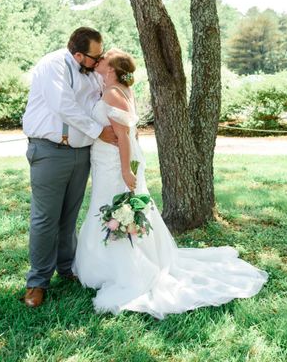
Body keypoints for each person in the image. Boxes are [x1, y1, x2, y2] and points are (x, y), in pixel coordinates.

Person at [72, 48, 268, 319]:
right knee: (113, 206)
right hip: (111, 160)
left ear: (111, 68)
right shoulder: (119, 90)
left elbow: (125, 137)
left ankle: (122, 267)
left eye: (104, 58)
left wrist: (128, 171)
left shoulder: (112, 93)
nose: (100, 58)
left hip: (116, 164)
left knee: (114, 206)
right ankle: (118, 260)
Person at [21, 27, 115, 308]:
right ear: (77, 54)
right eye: (95, 57)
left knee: (68, 218)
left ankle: (66, 269)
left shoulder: (92, 71)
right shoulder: (53, 65)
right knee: (45, 219)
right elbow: (64, 105)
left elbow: (101, 99)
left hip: (82, 153)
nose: (99, 62)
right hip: (50, 152)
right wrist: (98, 130)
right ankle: (37, 282)